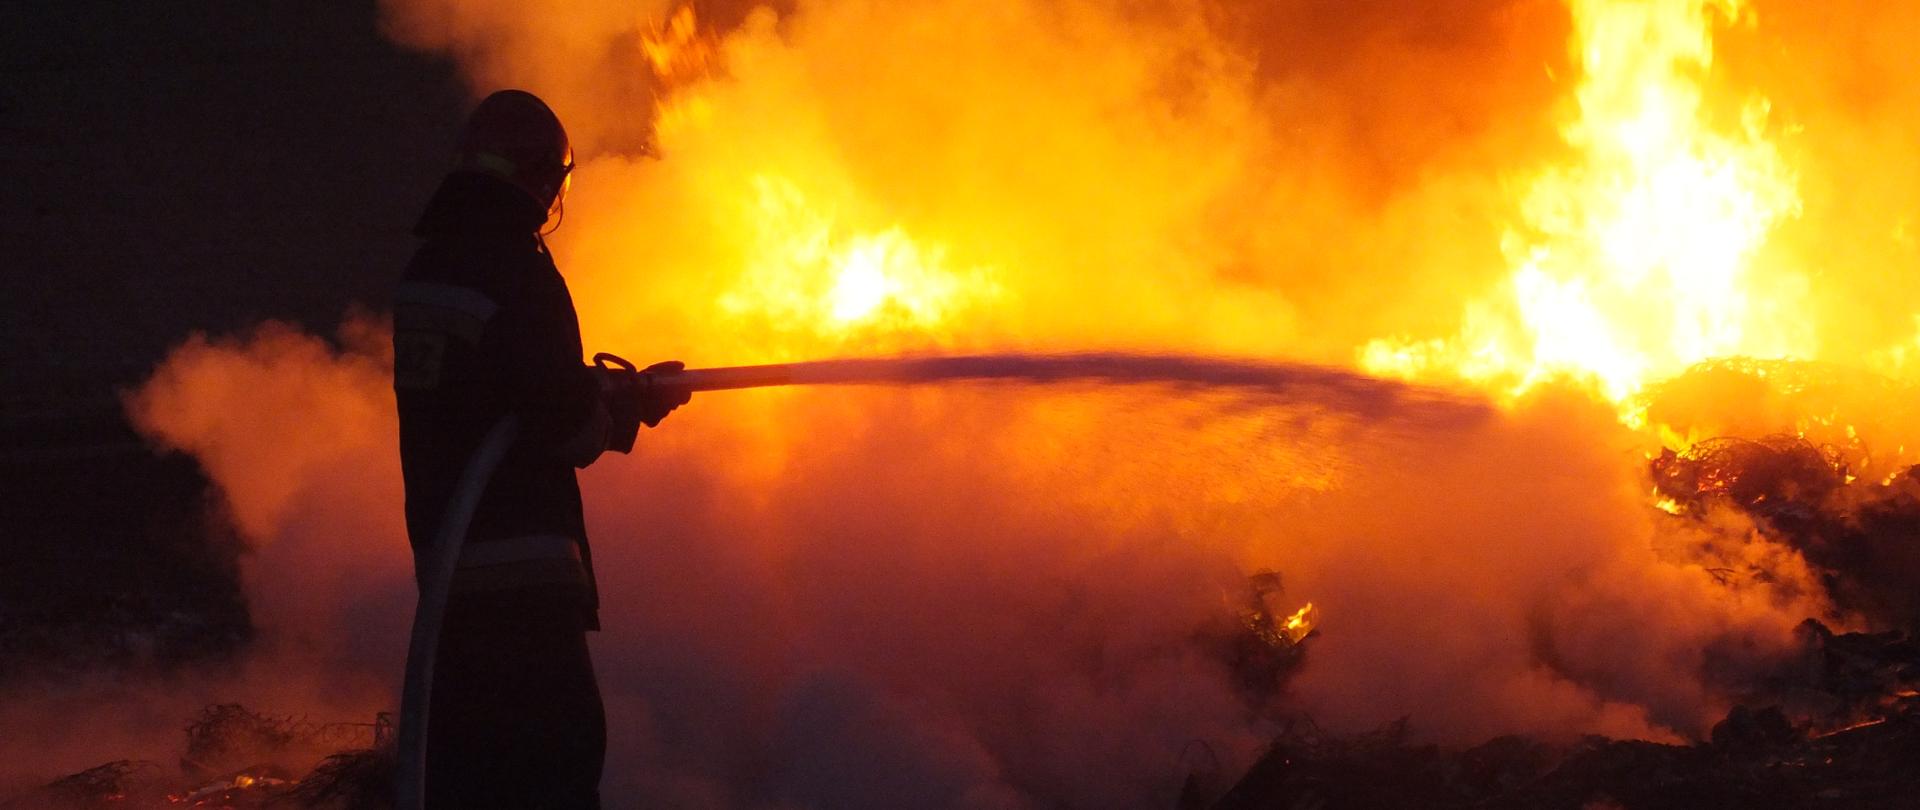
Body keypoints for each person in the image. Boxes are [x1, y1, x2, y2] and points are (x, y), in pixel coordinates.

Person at [391, 88, 688, 808]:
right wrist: (631, 412)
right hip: (524, 578)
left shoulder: (430, 271)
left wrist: (592, 389)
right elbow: (562, 426)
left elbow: (499, 390)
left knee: (467, 778)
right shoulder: (517, 271)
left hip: (449, 575)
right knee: (559, 762)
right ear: (539, 178)